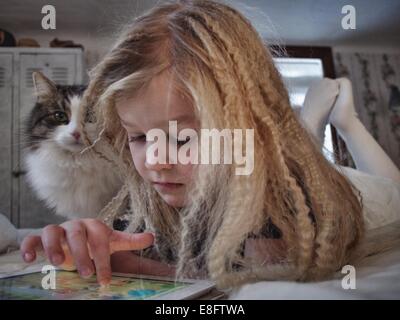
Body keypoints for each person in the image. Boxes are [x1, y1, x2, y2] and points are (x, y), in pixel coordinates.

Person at [20, 0, 399, 290]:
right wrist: (96, 245)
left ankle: (345, 123)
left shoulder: (282, 198)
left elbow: (250, 284)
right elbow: (127, 248)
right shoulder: (151, 195)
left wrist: (136, 266)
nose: (156, 161)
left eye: (183, 138)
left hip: (371, 195)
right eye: (138, 136)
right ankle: (311, 125)